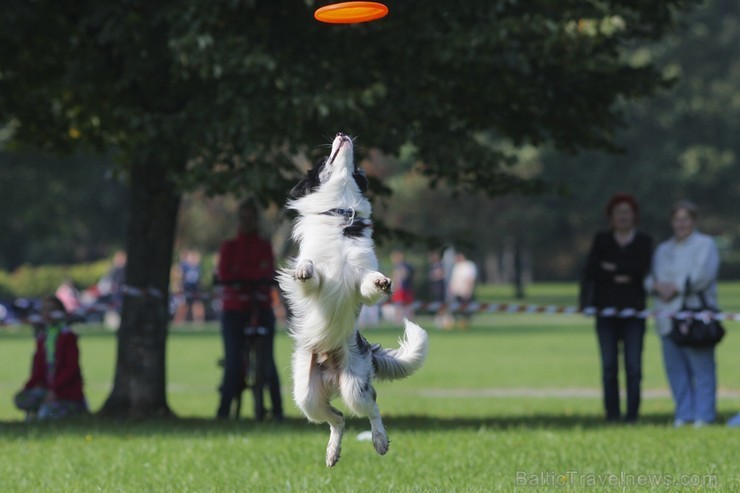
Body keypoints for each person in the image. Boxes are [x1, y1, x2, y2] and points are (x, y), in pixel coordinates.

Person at [646, 200, 720, 428]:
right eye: (677, 219)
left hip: (693, 315)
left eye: (685, 219)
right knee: (675, 369)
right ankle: (683, 413)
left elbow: (701, 276)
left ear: (694, 221)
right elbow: (651, 277)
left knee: (701, 368)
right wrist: (657, 287)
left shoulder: (705, 244)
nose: (681, 224)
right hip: (666, 315)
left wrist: (675, 287)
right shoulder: (663, 249)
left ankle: (704, 415)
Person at [580, 193, 653, 423]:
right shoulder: (602, 239)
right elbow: (591, 271)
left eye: (627, 212)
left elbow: (640, 268)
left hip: (634, 312)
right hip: (606, 313)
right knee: (609, 366)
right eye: (618, 212)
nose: (622, 217)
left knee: (633, 366)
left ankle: (632, 415)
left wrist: (611, 268)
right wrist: (623, 272)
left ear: (635, 216)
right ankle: (611, 414)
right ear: (611, 217)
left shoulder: (643, 241)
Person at [216, 200, 283, 421]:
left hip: (260, 307)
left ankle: (277, 411)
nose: (247, 222)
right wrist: (250, 276)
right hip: (235, 310)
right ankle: (224, 411)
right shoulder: (230, 247)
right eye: (243, 218)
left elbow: (267, 271)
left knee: (268, 363)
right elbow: (226, 274)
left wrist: (244, 276)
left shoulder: (264, 247)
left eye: (251, 218)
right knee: (233, 361)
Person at [14, 295, 88, 420]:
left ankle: (72, 410)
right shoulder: (43, 338)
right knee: (22, 399)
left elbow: (71, 369)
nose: (47, 313)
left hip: (65, 392)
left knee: (46, 414)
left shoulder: (68, 337)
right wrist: (28, 387)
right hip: (47, 390)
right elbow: (38, 370)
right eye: (45, 310)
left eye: (52, 310)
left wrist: (54, 390)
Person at [447, 252, 478, 329]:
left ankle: (465, 324)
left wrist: (468, 290)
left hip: (465, 290)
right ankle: (455, 323)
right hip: (457, 291)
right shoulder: (457, 266)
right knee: (455, 308)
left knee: (465, 309)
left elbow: (470, 279)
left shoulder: (469, 265)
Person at [390, 250, 415, 321]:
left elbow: (402, 276)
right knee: (401, 306)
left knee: (405, 307)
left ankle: (404, 320)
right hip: (401, 290)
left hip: (403, 290)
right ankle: (401, 320)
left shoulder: (403, 266)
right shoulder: (397, 266)